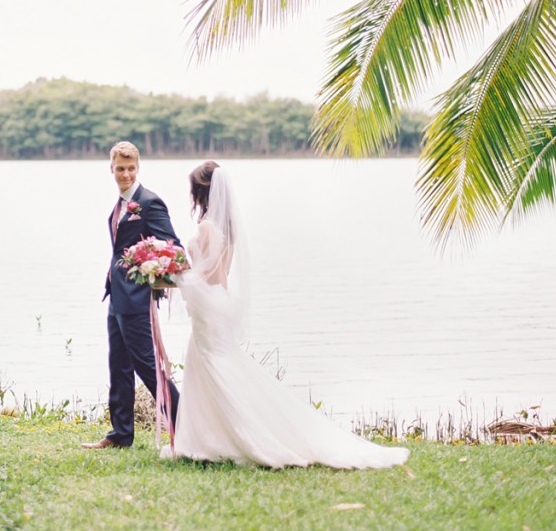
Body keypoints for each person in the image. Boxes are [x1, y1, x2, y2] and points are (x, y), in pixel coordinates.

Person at [164, 160, 410, 469]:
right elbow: (221, 276)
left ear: (200, 192)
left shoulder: (206, 227)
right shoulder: (228, 226)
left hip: (210, 304)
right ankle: (208, 437)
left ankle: (238, 436)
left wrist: (176, 276)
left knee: (215, 367)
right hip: (220, 303)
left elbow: (209, 273)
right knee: (215, 365)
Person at [82, 141, 182, 450]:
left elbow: (173, 248)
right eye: (120, 169)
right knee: (119, 364)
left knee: (147, 367)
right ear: (110, 169)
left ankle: (187, 425)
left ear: (138, 168)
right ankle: (120, 433)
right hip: (116, 296)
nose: (125, 174)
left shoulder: (149, 203)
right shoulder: (120, 204)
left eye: (131, 169)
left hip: (137, 299)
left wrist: (145, 270)